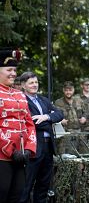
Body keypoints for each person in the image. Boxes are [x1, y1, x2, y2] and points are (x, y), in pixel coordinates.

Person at [19, 71, 64, 203]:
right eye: (31, 82)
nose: (34, 85)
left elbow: (60, 114)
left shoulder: (43, 100)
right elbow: (31, 123)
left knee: (44, 185)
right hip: (33, 148)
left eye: (36, 82)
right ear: (23, 85)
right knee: (26, 186)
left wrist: (46, 117)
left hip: (48, 147)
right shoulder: (22, 101)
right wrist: (50, 122)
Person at [0, 49, 36, 203]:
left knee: (18, 195)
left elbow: (29, 124)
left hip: (21, 156)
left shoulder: (20, 94)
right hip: (2, 157)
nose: (13, 73)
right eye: (9, 69)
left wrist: (28, 149)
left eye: (15, 70)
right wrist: (10, 150)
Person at [54, 81, 86, 154]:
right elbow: (54, 116)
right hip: (65, 134)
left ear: (73, 90)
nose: (68, 92)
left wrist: (84, 118)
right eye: (66, 90)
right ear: (63, 90)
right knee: (67, 157)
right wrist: (60, 121)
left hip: (79, 133)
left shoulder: (79, 101)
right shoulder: (58, 102)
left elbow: (85, 113)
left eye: (70, 90)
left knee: (82, 156)